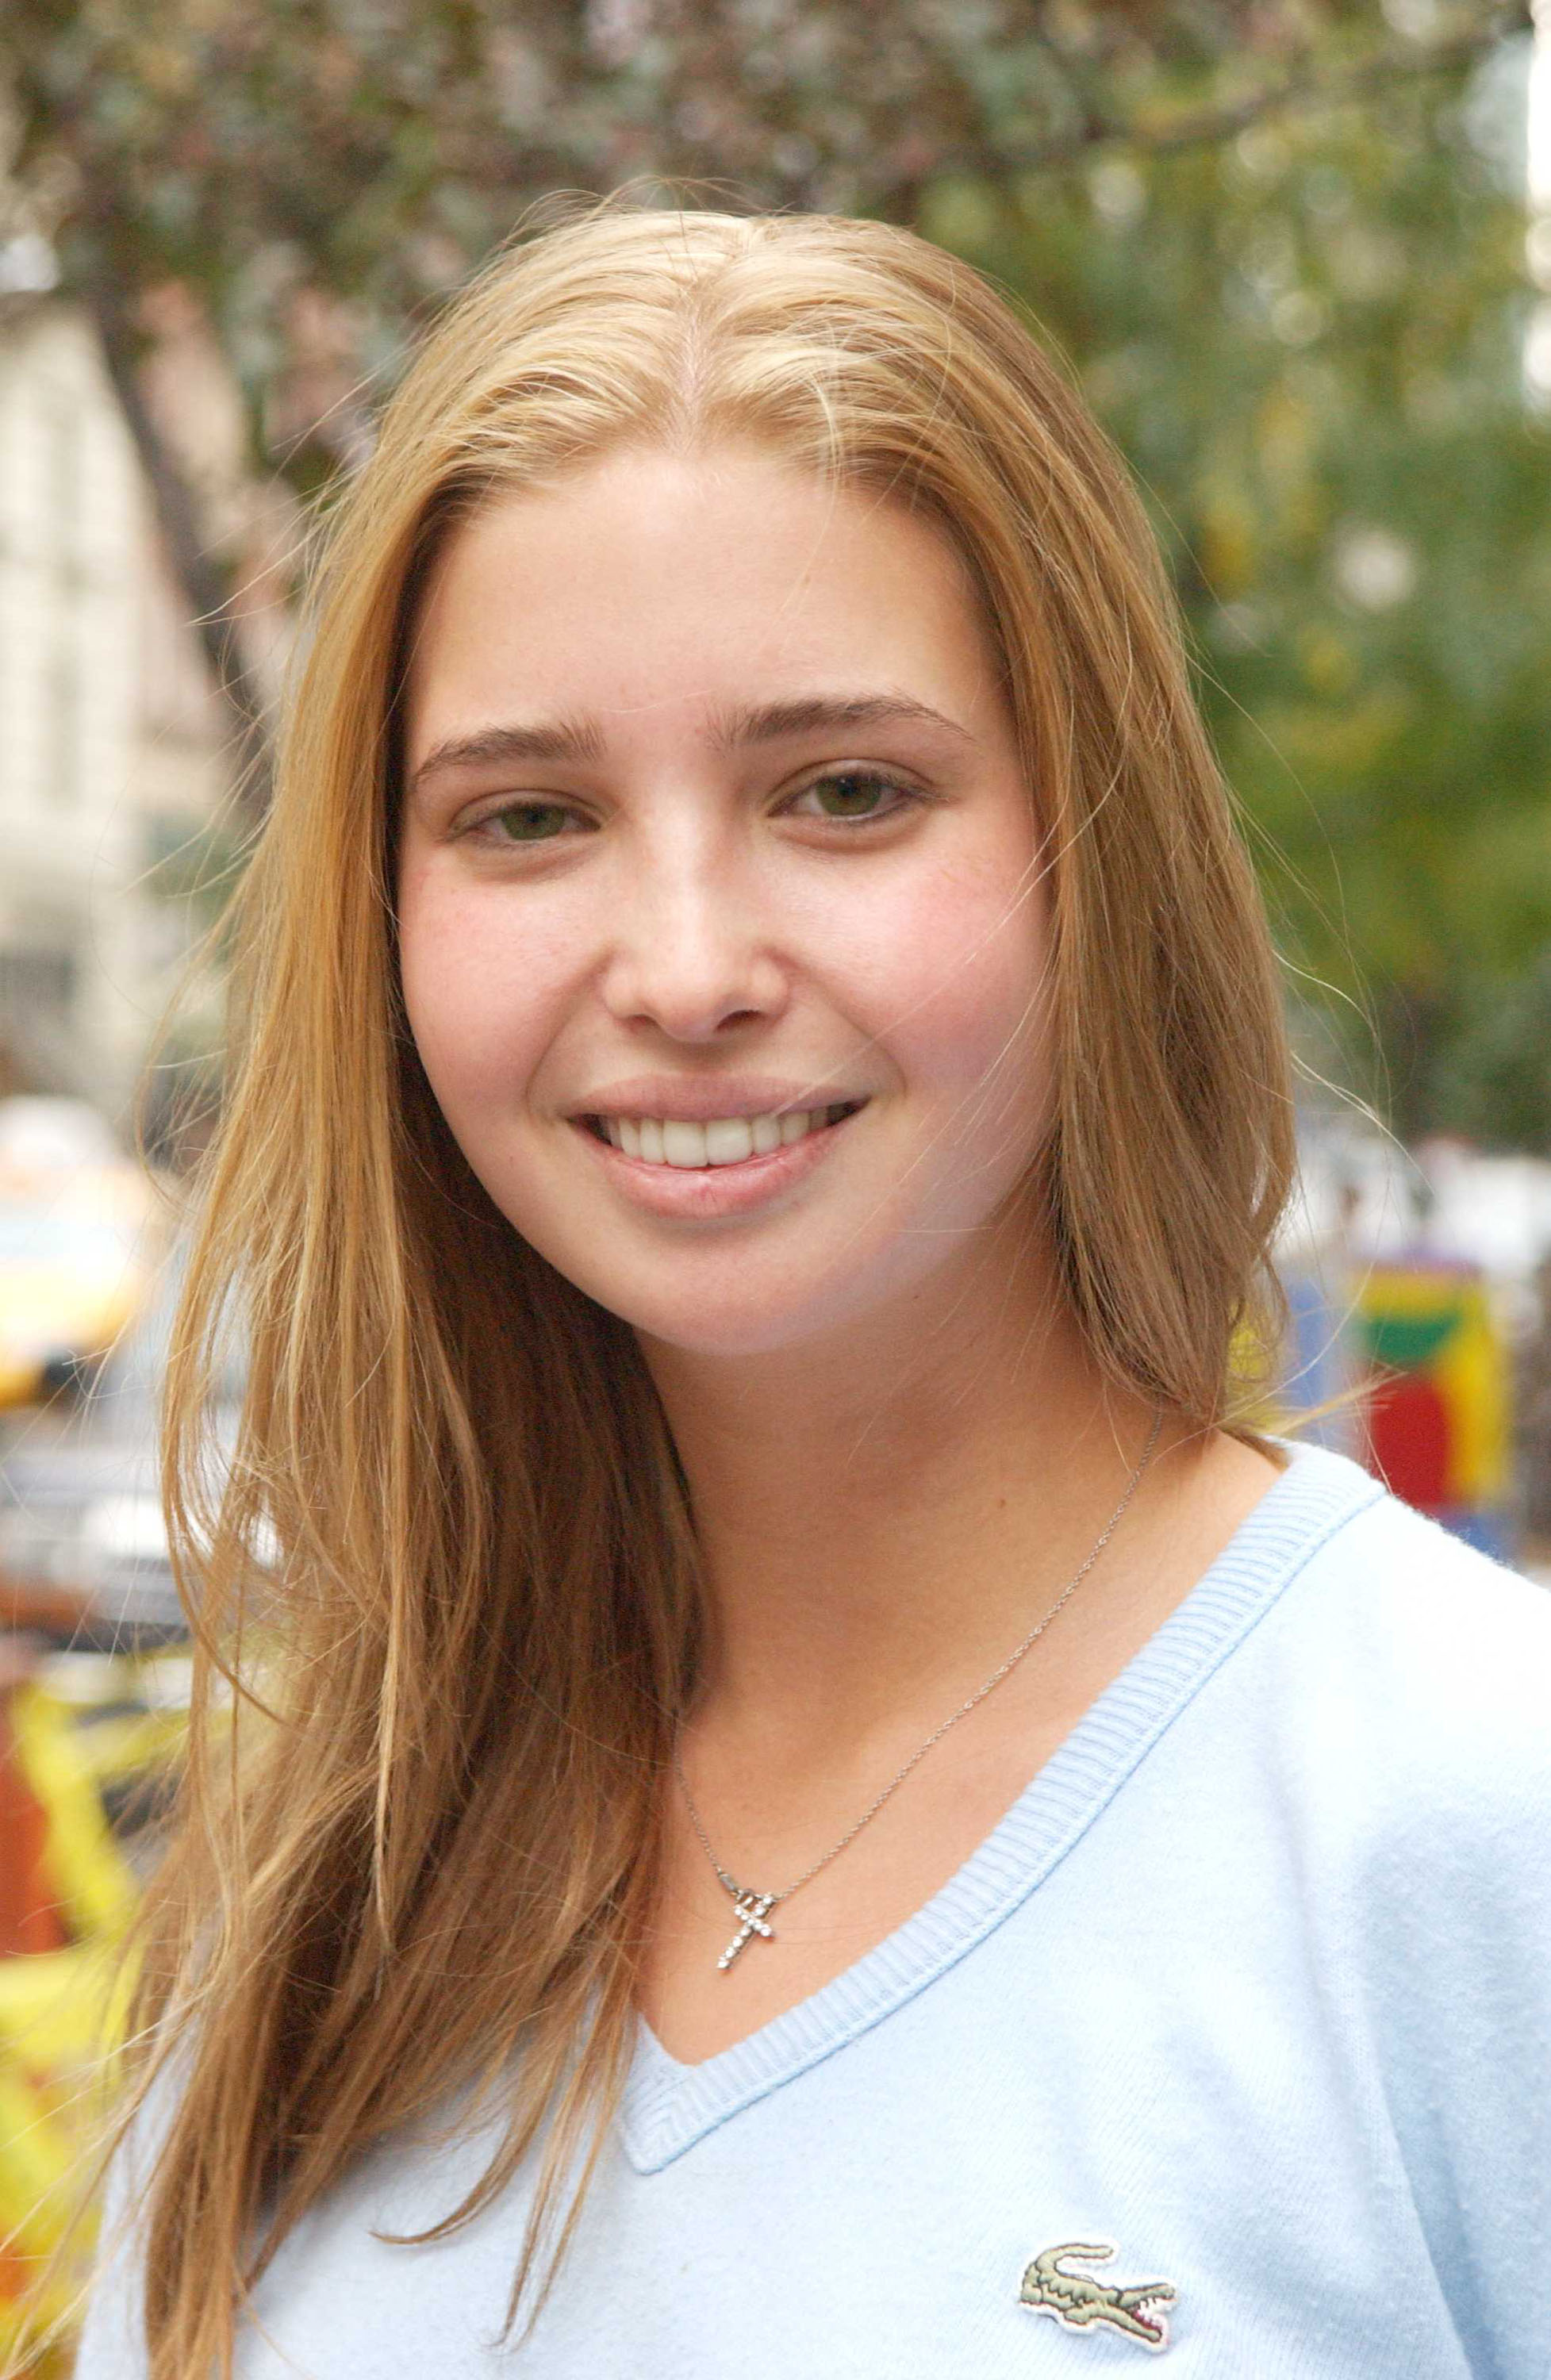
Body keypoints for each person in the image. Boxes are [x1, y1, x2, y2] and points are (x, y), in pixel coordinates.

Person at [67, 204, 1549, 2380]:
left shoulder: (1470, 1822)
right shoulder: (326, 1908)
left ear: (1091, 851)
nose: (684, 972)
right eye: (529, 816)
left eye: (845, 793)